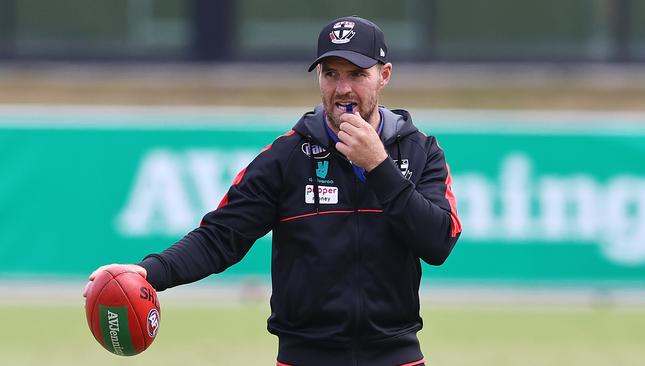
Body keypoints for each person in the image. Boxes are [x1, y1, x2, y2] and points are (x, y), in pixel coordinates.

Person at [83, 15, 461, 366]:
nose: (342, 88)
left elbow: (438, 243)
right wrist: (147, 272)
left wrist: (379, 167)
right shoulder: (285, 157)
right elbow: (219, 238)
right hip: (304, 357)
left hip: (396, 357)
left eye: (357, 74)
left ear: (384, 75)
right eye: (330, 74)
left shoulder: (420, 151)